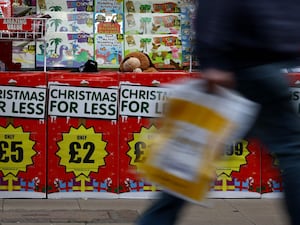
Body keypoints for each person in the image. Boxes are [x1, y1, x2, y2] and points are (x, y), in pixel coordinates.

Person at [136, 1, 300, 225]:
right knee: (290, 153)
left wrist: (212, 57)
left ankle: (156, 218)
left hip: (238, 66)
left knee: (195, 152)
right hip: (268, 68)